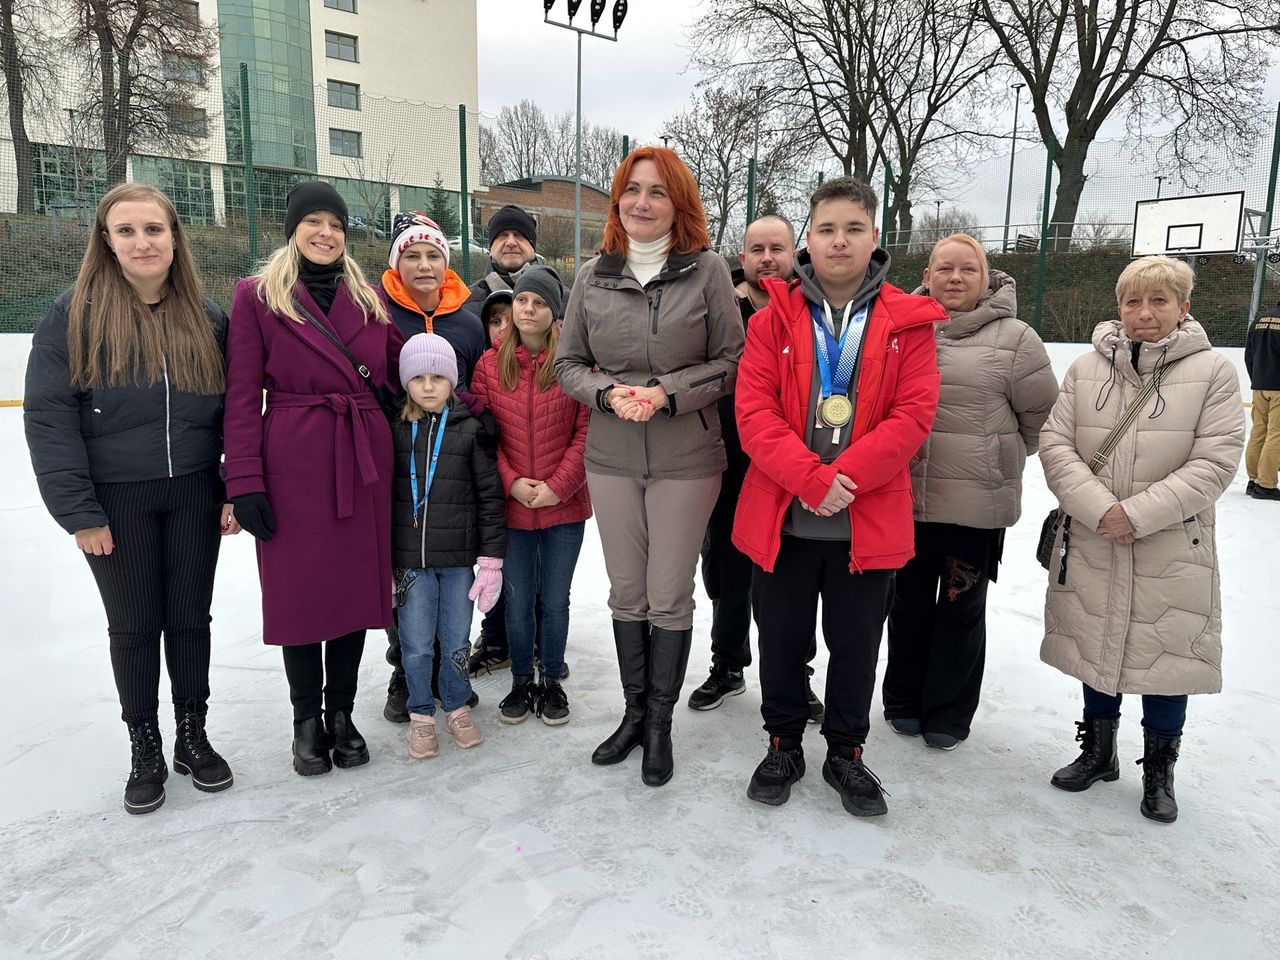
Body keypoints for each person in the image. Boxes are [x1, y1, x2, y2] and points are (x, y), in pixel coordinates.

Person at [732, 177, 943, 817]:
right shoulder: (774, 320)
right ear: (809, 239)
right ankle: (783, 743)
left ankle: (846, 754)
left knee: (856, 648)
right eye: (826, 229)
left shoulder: (908, 323)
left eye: (853, 228)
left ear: (874, 238)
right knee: (781, 643)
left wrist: (843, 477)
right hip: (785, 519)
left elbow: (913, 416)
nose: (839, 240)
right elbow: (753, 414)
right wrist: (812, 480)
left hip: (867, 521)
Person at [24, 183, 236, 814]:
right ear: (107, 240)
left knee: (190, 620)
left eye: (154, 229)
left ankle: (192, 735)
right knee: (136, 624)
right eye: (127, 231)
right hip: (116, 502)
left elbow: (237, 412)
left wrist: (234, 487)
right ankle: (144, 743)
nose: (142, 242)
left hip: (196, 490)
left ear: (174, 237)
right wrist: (80, 513)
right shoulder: (74, 314)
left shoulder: (207, 314)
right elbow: (48, 417)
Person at [557, 146, 744, 788]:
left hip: (686, 457)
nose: (642, 202)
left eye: (657, 192)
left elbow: (730, 361)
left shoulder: (708, 271)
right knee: (626, 592)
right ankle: (634, 713)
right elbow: (566, 364)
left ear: (679, 205)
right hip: (610, 455)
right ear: (617, 200)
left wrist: (668, 393)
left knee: (668, 594)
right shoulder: (591, 276)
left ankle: (660, 723)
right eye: (632, 190)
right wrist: (607, 395)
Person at [1039, 255, 1243, 823]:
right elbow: (1056, 445)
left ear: (1184, 309)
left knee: (1165, 653)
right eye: (1133, 301)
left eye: (1159, 301)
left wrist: (1138, 514)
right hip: (1095, 533)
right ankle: (1098, 752)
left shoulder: (1215, 375)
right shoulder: (1085, 370)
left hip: (1171, 542)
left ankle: (1160, 769)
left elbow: (1216, 462)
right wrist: (1100, 508)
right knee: (1095, 640)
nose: (1144, 314)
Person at [223, 180, 403, 777]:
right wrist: (244, 479)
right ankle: (306, 720)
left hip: (360, 457)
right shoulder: (256, 297)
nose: (326, 233)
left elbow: (407, 374)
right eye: (314, 222)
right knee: (301, 594)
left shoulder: (371, 299)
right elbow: (243, 395)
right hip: (293, 461)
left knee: (351, 593)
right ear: (293, 229)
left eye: (336, 224)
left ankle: (342, 714)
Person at [883, 234, 1058, 749]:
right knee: (907, 603)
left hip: (975, 507)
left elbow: (1041, 418)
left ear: (987, 279)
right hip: (907, 500)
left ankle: (947, 715)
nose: (955, 278)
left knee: (960, 608)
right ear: (928, 275)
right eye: (944, 269)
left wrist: (997, 459)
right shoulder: (903, 326)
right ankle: (903, 701)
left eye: (967, 269)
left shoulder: (1016, 338)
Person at [690, 215, 825, 720]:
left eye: (777, 248)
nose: (767, 258)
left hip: (790, 464)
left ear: (795, 254)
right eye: (756, 249)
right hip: (725, 461)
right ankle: (727, 664)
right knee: (725, 571)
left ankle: (794, 673)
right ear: (741, 257)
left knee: (789, 579)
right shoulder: (717, 308)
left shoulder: (815, 310)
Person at [378, 212, 488, 723]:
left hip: (453, 462)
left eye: (434, 255)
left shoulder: (467, 321)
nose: (423, 264)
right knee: (409, 597)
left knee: (451, 598)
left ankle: (452, 676)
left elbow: (478, 389)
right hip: (402, 452)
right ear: (396, 262)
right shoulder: (377, 314)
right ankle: (406, 673)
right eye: (412, 254)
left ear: (447, 263)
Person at [471, 266, 591, 726]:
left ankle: (551, 682)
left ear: (555, 312)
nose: (528, 309)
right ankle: (522, 680)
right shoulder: (489, 364)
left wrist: (558, 486)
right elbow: (485, 437)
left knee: (554, 598)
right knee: (518, 600)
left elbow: (586, 432)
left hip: (564, 507)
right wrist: (512, 483)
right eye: (522, 300)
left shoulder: (575, 365)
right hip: (513, 509)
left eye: (539, 302)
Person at [393, 334, 505, 758]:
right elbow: (382, 499)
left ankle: (456, 705)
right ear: (405, 382)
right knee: (417, 643)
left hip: (458, 561)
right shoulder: (395, 430)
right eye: (418, 377)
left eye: (437, 377)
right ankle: (421, 714)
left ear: (452, 381)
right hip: (410, 563)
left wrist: (491, 560)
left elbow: (490, 498)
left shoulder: (470, 431)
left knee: (457, 640)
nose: (427, 386)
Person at [466, 204, 551, 309]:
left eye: (519, 235)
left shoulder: (564, 299)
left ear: (533, 247)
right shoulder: (467, 302)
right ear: (491, 247)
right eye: (502, 235)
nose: (510, 242)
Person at [1244, 300, 1280, 500]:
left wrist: (1256, 379)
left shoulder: (1259, 320)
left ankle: (1254, 479)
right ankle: (1266, 484)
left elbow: (1248, 354)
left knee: (1258, 432)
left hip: (1259, 385)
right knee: (1276, 435)